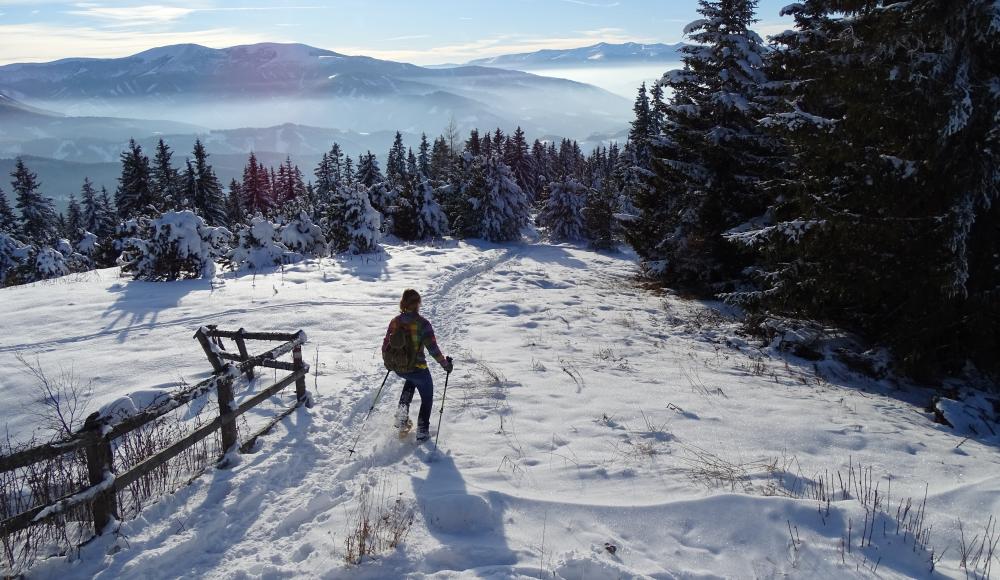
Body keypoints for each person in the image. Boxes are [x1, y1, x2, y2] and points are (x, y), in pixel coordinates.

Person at [382, 289, 453, 441]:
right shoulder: (422, 324)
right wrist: (445, 364)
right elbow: (433, 349)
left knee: (410, 382)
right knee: (427, 398)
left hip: (400, 368)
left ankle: (401, 421)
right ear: (418, 304)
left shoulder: (395, 321)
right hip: (418, 368)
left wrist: (388, 362)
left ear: (403, 303)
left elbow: (386, 343)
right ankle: (422, 431)